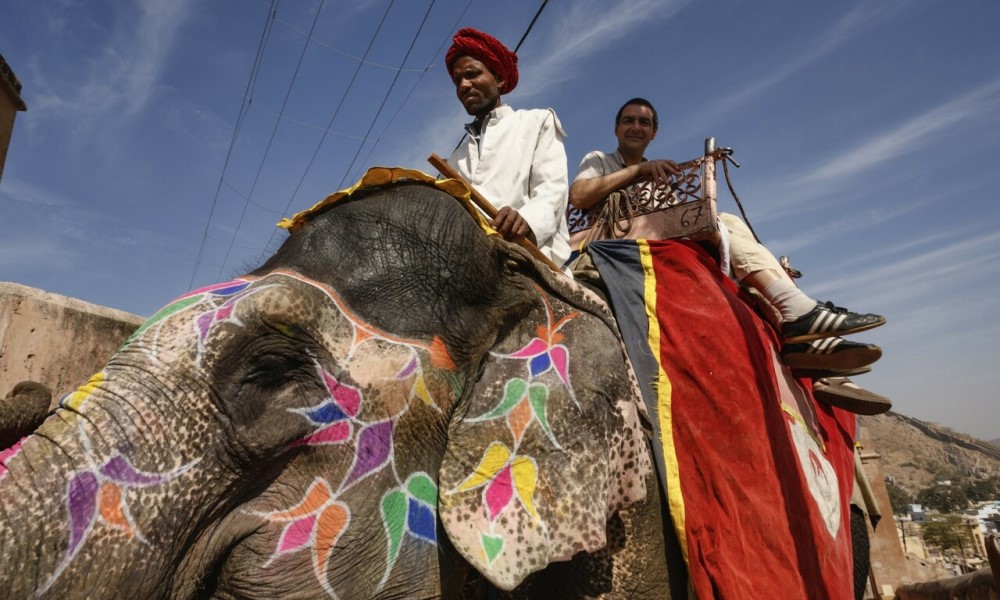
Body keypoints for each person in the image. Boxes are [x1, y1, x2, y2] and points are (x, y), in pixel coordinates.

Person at [569, 98, 891, 412]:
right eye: (629, 120)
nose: (636, 127)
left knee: (740, 261)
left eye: (644, 122)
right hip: (613, 241)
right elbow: (580, 196)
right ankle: (803, 317)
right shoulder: (600, 161)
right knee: (728, 223)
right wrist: (639, 171)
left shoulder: (660, 180)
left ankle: (814, 352)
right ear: (616, 129)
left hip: (658, 238)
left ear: (655, 133)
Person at [445, 28, 571, 270]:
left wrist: (526, 220)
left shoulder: (537, 122)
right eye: (458, 80)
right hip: (471, 266)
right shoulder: (456, 159)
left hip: (531, 262)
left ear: (500, 79)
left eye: (472, 74)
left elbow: (552, 192)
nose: (464, 85)